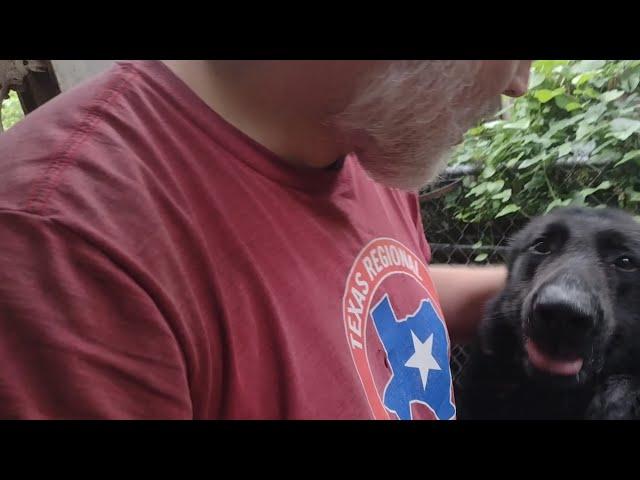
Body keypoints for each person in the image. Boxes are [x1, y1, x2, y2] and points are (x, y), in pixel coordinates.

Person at [0, 60, 531, 419]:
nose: (519, 82)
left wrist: (542, 292)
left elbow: (344, 305)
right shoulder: (64, 238)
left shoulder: (367, 135)